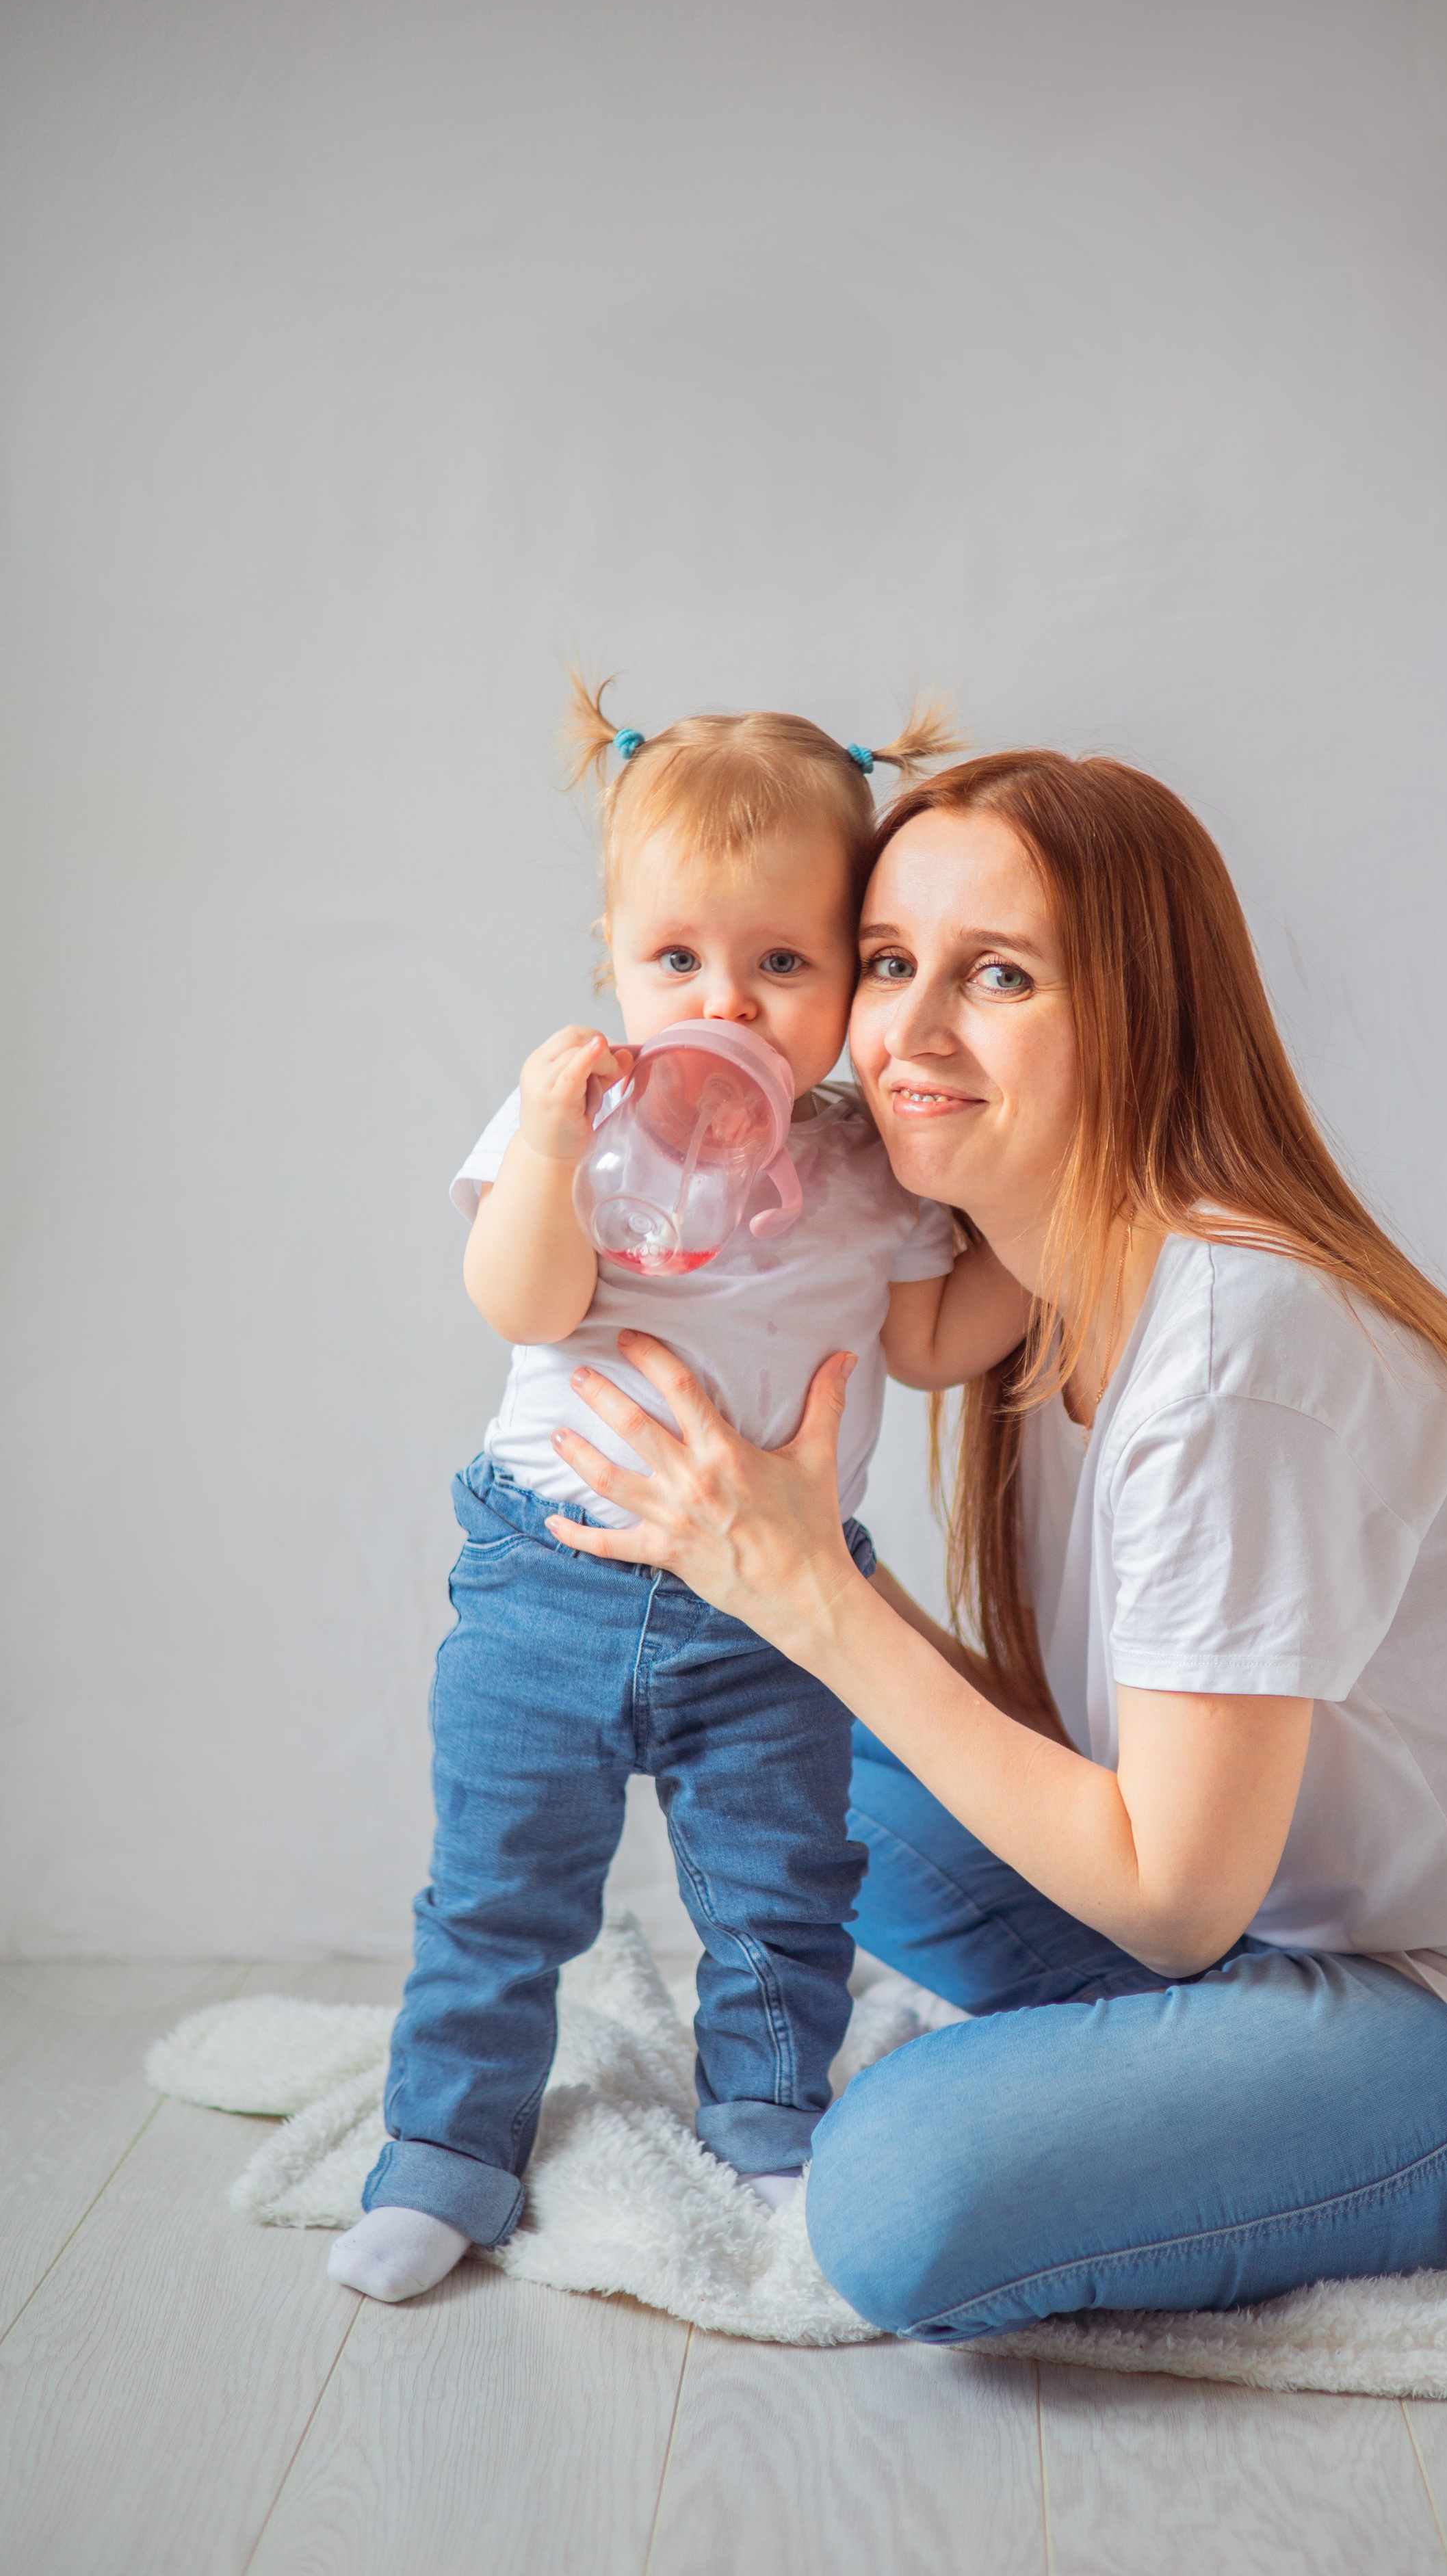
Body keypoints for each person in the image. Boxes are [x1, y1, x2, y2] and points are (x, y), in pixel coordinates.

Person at [540, 748, 1447, 2343]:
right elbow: (1068, 1761)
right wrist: (776, 1566)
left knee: (895, 2190)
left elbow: (1168, 1899)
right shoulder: (1034, 1291)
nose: (907, 1031)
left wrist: (817, 1591)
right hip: (1281, 1921)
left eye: (999, 976)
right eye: (887, 964)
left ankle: (1216, 2101)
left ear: (1137, 1014)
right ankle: (1210, 2087)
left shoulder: (1243, 1338)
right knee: (768, 1699)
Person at [328, 692, 1028, 2305]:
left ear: (852, 972)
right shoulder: (574, 1127)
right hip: (545, 1580)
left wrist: (1037, 1227)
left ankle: (773, 2122)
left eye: (783, 965)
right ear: (614, 961)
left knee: (783, 1896)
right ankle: (444, 2155)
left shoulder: (865, 1165)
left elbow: (924, 1342)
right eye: (678, 962)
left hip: (773, 1608)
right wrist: (553, 1161)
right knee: (498, 1893)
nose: (726, 1000)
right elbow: (522, 1301)